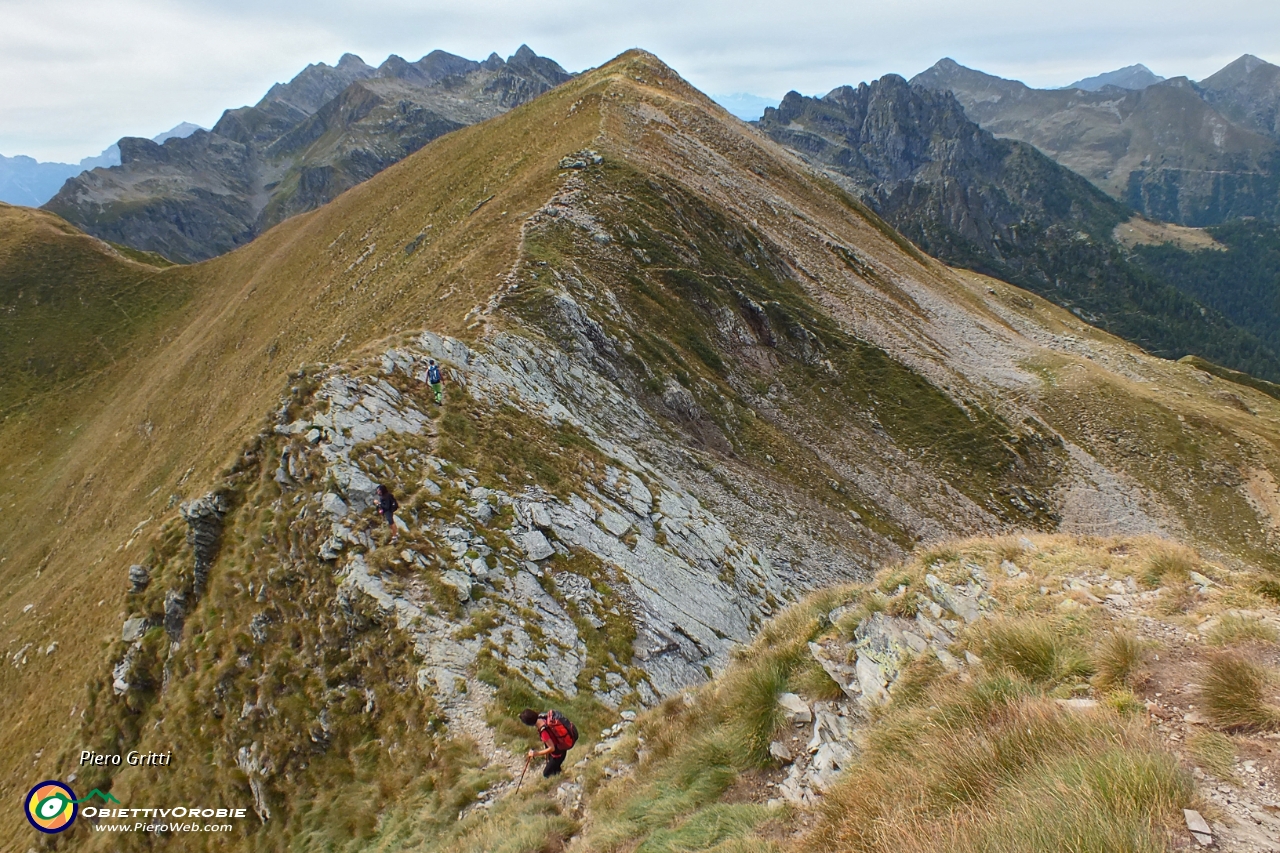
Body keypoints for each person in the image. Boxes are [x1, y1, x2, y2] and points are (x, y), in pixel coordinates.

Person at [519, 708, 578, 778]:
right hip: (561, 749)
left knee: (546, 774)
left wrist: (536, 753)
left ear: (529, 724)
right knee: (555, 769)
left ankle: (557, 782)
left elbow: (551, 748)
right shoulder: (542, 716)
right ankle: (560, 776)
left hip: (558, 755)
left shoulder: (543, 732)